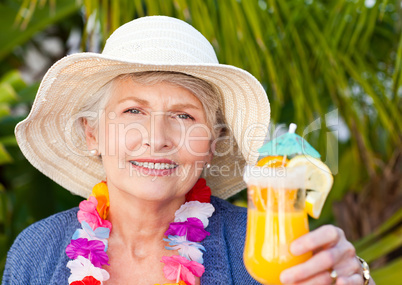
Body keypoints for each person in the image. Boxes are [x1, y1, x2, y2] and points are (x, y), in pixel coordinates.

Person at [2, 16, 373, 285]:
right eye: (133, 111)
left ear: (213, 142)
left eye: (183, 115)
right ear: (93, 133)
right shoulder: (37, 251)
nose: (157, 138)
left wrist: (356, 280)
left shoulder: (265, 249)